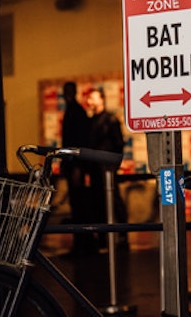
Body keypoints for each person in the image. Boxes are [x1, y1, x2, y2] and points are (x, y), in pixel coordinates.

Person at [86, 87, 128, 251]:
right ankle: (103, 237)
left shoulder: (110, 120)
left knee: (114, 199)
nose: (90, 101)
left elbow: (118, 143)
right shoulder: (91, 121)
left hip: (107, 167)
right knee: (98, 202)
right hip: (96, 167)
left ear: (102, 99)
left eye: (93, 98)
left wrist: (114, 164)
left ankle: (123, 235)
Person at [61, 81, 93, 256]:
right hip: (73, 164)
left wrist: (77, 167)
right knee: (78, 205)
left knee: (79, 206)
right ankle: (83, 244)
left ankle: (82, 245)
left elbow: (78, 143)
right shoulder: (74, 111)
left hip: (75, 165)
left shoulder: (75, 112)